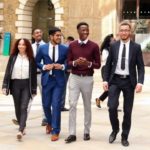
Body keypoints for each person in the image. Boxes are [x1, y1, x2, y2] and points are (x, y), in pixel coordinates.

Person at [103, 21, 145, 147]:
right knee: (112, 107)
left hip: (129, 82)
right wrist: (105, 80)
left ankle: (124, 136)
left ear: (130, 32)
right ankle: (115, 129)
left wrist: (140, 83)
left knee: (127, 111)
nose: (124, 32)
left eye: (126, 30)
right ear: (119, 32)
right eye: (122, 30)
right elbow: (108, 65)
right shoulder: (114, 46)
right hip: (115, 80)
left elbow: (141, 67)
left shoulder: (136, 47)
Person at [65, 22, 100, 143]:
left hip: (87, 78)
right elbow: (68, 62)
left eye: (87, 30)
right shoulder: (72, 45)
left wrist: (88, 63)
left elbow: (98, 64)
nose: (85, 32)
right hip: (74, 78)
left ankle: (86, 131)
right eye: (83, 30)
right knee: (72, 105)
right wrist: (75, 62)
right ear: (78, 31)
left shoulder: (94, 46)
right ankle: (72, 133)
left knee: (87, 106)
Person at [36, 27, 68, 141]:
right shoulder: (42, 48)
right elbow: (36, 61)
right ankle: (49, 122)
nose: (59, 37)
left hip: (59, 81)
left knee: (56, 105)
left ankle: (56, 130)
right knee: (45, 105)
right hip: (47, 80)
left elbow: (68, 63)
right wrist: (44, 67)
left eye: (60, 35)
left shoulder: (65, 49)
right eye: (57, 35)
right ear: (51, 36)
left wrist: (63, 66)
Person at [2, 38, 37, 140]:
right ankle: (23, 125)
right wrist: (5, 86)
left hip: (27, 84)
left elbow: (33, 75)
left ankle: (20, 130)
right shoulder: (13, 57)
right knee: (17, 107)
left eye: (23, 44)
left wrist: (34, 89)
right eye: (19, 44)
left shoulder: (31, 58)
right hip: (15, 84)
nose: (21, 46)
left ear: (27, 46)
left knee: (23, 107)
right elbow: (8, 71)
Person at [32, 28, 47, 126]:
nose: (39, 34)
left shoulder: (46, 46)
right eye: (36, 33)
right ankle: (21, 118)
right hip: (32, 75)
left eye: (40, 32)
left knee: (45, 97)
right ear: (33, 35)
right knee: (29, 96)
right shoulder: (30, 46)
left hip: (43, 74)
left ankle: (45, 117)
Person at [95, 34, 115, 108]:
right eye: (113, 40)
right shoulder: (105, 50)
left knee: (112, 87)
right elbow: (104, 59)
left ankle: (100, 100)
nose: (114, 41)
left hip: (112, 69)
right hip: (106, 69)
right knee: (110, 87)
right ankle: (110, 104)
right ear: (109, 42)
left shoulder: (113, 48)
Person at [61, 36, 75, 111]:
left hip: (61, 69)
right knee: (63, 87)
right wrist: (69, 68)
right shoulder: (68, 47)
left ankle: (60, 104)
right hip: (65, 70)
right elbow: (67, 58)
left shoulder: (63, 46)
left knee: (61, 87)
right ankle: (61, 105)